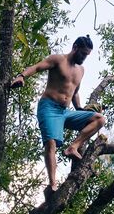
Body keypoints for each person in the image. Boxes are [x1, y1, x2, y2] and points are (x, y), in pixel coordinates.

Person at [11, 35, 107, 193]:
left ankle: (73, 147)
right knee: (51, 143)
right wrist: (21, 76)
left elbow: (75, 92)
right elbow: (37, 67)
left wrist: (81, 109)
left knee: (100, 119)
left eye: (87, 55)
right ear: (75, 47)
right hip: (48, 108)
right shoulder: (58, 59)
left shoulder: (81, 70)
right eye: (83, 53)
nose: (84, 58)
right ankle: (52, 185)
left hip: (65, 112)